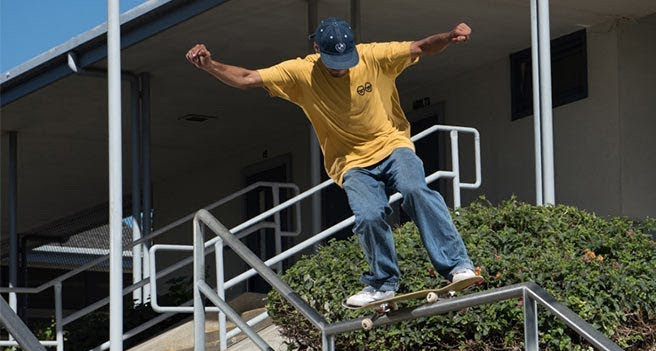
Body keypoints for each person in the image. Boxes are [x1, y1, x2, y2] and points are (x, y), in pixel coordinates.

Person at [185, 17, 478, 308]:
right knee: (369, 216)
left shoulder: (373, 56)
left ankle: (457, 266)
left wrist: (449, 36)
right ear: (316, 49)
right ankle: (383, 284)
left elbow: (421, 47)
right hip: (349, 161)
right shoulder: (301, 72)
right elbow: (248, 78)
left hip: (392, 145)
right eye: (333, 62)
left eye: (345, 61)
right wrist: (211, 65)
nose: (340, 69)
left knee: (415, 191)